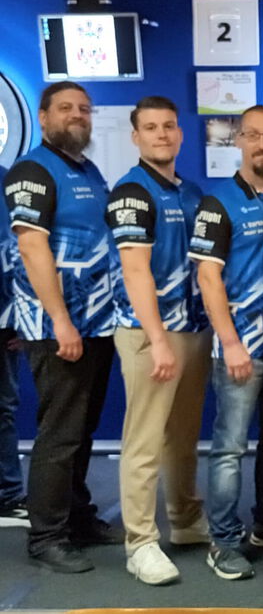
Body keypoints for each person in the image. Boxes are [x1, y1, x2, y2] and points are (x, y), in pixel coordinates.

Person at [3, 81, 122, 573]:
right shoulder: (32, 170)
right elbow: (32, 248)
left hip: (95, 323)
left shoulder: (87, 170)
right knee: (59, 434)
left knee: (82, 430)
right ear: (43, 116)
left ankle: (77, 518)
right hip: (59, 328)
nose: (78, 115)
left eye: (85, 109)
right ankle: (46, 536)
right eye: (67, 108)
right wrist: (59, 321)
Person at [106, 96, 211, 585]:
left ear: (180, 134)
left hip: (191, 328)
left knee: (183, 437)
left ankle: (185, 521)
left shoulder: (189, 192)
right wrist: (158, 340)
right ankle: (141, 543)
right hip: (150, 333)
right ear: (136, 137)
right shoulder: (132, 192)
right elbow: (135, 271)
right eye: (150, 128)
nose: (162, 135)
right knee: (144, 441)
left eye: (168, 126)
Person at [190, 105, 263, 581]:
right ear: (238, 141)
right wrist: (230, 342)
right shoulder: (217, 204)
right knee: (230, 447)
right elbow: (207, 277)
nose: (261, 143)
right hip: (239, 347)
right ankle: (225, 541)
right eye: (252, 135)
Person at [0, 164, 27, 528]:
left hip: (3, 320)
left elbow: (20, 251)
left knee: (3, 407)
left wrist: (19, 316)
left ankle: (7, 495)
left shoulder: (9, 180)